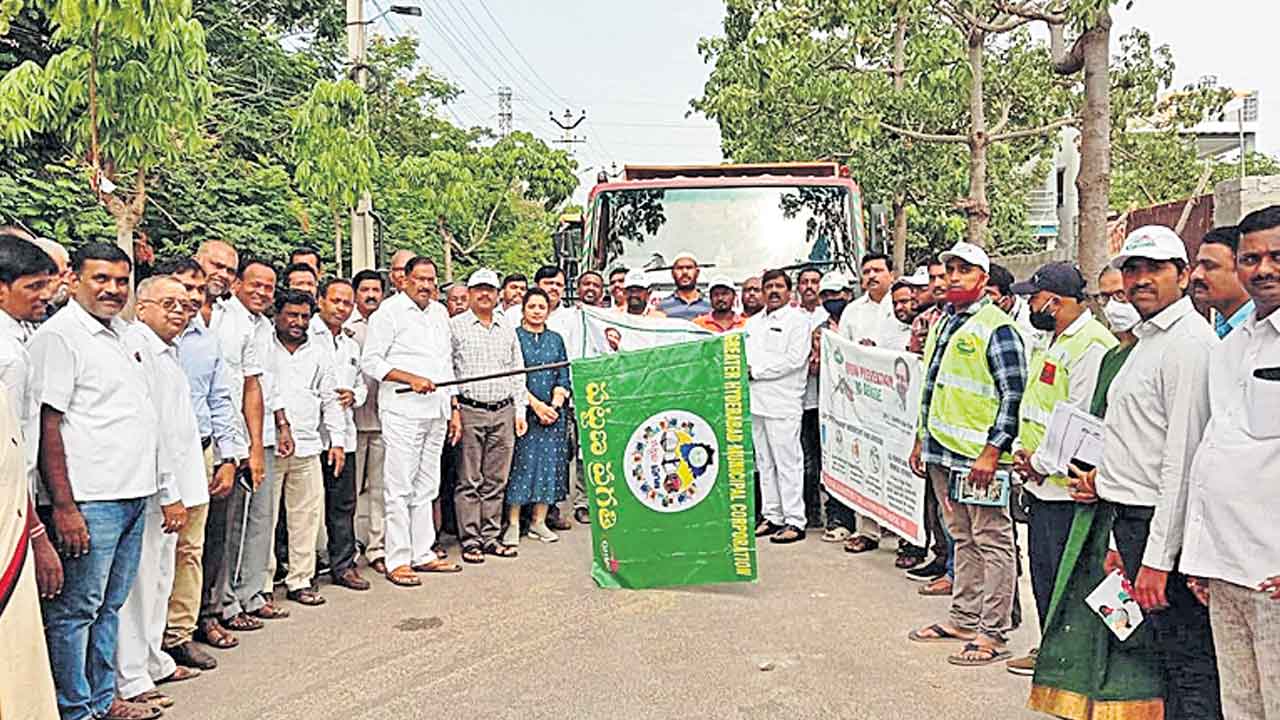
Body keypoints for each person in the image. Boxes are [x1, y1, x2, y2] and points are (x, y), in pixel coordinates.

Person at [1058, 225, 1219, 719]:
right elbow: (1134, 446)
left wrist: (1158, 559)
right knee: (1165, 663)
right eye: (1133, 269)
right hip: (1130, 521)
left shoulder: (1188, 344)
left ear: (1183, 275)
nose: (1141, 279)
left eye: (1155, 269)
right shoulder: (1146, 343)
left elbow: (1182, 461)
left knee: (1190, 668)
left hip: (1162, 526)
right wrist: (1118, 543)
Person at [30, 243, 166, 720]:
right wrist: (64, 507)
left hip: (132, 493)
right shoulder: (59, 336)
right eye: (101, 279)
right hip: (90, 500)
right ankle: (75, 709)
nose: (113, 289)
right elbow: (48, 424)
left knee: (108, 606)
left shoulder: (123, 334)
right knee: (75, 611)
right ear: (73, 281)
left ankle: (104, 699)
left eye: (121, 280)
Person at [907, 241, 1027, 668]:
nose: (953, 277)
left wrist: (993, 451)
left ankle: (992, 631)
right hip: (944, 454)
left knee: (992, 539)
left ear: (983, 279)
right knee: (962, 537)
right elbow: (932, 389)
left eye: (964, 270)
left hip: (979, 459)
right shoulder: (944, 321)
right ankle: (963, 619)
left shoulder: (998, 328)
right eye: (949, 269)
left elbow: (1013, 396)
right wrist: (921, 439)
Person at [1182, 205, 1280, 720]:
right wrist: (1202, 555)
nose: (1263, 269)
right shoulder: (1230, 345)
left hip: (1273, 573)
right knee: (1240, 706)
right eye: (1251, 258)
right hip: (1227, 571)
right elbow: (1215, 450)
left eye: (1277, 256)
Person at [1004, 262, 1117, 677]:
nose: (1029, 306)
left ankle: (1072, 660)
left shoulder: (1091, 344)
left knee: (1071, 581)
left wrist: (1040, 462)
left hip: (1068, 489)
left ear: (1055, 301)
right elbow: (1037, 406)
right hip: (1041, 484)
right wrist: (1022, 453)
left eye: (1034, 298)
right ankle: (1051, 649)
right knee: (1045, 576)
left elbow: (1084, 420)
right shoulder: (1049, 340)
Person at [115, 277, 204, 709]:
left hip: (176, 483)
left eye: (185, 305)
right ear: (142, 306)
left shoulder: (168, 350)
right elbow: (150, 427)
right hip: (153, 486)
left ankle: (153, 659)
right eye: (169, 304)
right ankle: (131, 676)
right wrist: (169, 491)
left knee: (162, 576)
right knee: (141, 581)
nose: (179, 312)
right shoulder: (137, 347)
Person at [361, 256, 463, 587]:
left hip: (437, 410)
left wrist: (453, 407)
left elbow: (446, 363)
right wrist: (410, 378)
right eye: (419, 279)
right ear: (403, 280)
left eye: (431, 280)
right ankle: (398, 560)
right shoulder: (388, 313)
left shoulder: (439, 313)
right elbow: (371, 362)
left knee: (427, 486)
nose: (426, 285)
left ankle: (423, 553)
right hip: (402, 410)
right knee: (399, 488)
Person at [163, 259, 244, 673]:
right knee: (157, 553)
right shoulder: (137, 339)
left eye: (197, 290)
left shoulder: (205, 340)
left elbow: (220, 400)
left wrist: (228, 457)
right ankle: (148, 647)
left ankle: (180, 634)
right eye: (183, 288)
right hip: (158, 457)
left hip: (202, 451)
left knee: (192, 549)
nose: (190, 298)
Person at [216, 256, 292, 642]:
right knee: (234, 525)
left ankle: (252, 593)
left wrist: (281, 424)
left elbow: (265, 384)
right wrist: (248, 446)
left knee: (261, 519)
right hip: (235, 437)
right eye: (255, 284)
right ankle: (225, 603)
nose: (262, 292)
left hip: (263, 433)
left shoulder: (263, 326)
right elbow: (235, 387)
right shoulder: (222, 320)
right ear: (237, 285)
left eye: (268, 287)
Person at [0, 236, 59, 720]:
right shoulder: (8, 354)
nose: (46, 295)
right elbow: (12, 450)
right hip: (11, 509)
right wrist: (35, 531)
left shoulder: (19, 339)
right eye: (33, 286)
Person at [268, 290, 345, 607]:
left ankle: (300, 580)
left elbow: (330, 398)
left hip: (309, 445)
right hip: (269, 446)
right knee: (266, 521)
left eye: (304, 316)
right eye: (291, 315)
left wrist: (337, 441)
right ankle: (262, 586)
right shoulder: (264, 345)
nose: (298, 322)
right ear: (277, 315)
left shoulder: (318, 351)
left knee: (306, 518)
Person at [451, 269, 528, 563]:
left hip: (503, 410)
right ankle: (471, 540)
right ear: (469, 293)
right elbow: (448, 368)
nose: (485, 294)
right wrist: (453, 409)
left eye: (490, 290)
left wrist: (519, 410)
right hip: (470, 410)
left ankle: (491, 537)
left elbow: (517, 370)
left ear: (498, 295)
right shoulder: (455, 326)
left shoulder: (507, 326)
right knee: (469, 479)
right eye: (479, 289)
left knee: (496, 480)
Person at [311, 279, 369, 591]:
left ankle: (344, 565)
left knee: (343, 504)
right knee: (305, 508)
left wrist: (354, 395)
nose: (341, 308)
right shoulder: (307, 336)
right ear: (320, 300)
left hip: (344, 435)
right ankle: (301, 569)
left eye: (347, 303)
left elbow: (361, 384)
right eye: (336, 301)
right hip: (312, 436)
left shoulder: (350, 344)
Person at [838, 253, 898, 555]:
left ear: (891, 274)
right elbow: (842, 351)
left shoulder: (902, 304)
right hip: (862, 400)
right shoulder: (853, 311)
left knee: (896, 466)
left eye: (877, 270)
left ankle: (903, 534)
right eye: (866, 271)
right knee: (864, 464)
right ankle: (867, 531)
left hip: (897, 403)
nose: (872, 276)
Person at [745, 269, 811, 544]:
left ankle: (795, 520)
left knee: (788, 463)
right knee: (764, 462)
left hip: (783, 402)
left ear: (789, 291)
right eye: (768, 286)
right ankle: (772, 516)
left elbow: (795, 359)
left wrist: (756, 371)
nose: (773, 291)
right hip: (755, 402)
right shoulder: (752, 324)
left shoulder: (799, 321)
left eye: (779, 286)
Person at [504, 287, 571, 546]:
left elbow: (563, 375)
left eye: (541, 307)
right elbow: (512, 376)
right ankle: (513, 523)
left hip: (552, 415)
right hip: (524, 412)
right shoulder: (513, 337)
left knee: (548, 466)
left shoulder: (556, 339)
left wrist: (553, 406)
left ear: (548, 310)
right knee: (520, 466)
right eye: (531, 306)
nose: (536, 311)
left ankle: (538, 522)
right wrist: (536, 406)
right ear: (523, 309)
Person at [812, 272, 858, 544]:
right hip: (831, 405)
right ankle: (838, 518)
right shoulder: (820, 329)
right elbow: (814, 366)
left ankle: (867, 523)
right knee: (833, 462)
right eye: (826, 295)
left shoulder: (860, 320)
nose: (832, 299)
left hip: (862, 406)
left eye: (836, 293)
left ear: (848, 294)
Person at [349, 270, 387, 575]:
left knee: (381, 491)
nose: (371, 294)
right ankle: (348, 549)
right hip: (351, 422)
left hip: (384, 420)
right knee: (349, 492)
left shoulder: (388, 323)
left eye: (376, 289)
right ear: (355, 293)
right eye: (365, 289)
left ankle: (377, 547)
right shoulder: (346, 327)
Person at [793, 266, 828, 530]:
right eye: (804, 282)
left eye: (814, 282)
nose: (809, 287)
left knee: (825, 457)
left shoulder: (830, 316)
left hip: (827, 401)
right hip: (801, 400)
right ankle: (811, 511)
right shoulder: (791, 317)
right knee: (806, 459)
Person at [1191, 225, 1254, 338]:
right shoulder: (1220, 326)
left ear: (1243, 270)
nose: (1195, 275)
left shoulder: (1265, 330)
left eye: (1209, 266)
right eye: (1198, 265)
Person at [908, 257, 947, 355]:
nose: (936, 284)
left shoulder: (971, 316)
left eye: (942, 277)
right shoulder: (922, 320)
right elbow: (912, 358)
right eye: (932, 278)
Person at [658, 251, 711, 319]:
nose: (684, 272)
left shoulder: (711, 305)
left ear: (697, 272)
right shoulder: (663, 306)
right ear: (673, 274)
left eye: (689, 268)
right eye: (680, 268)